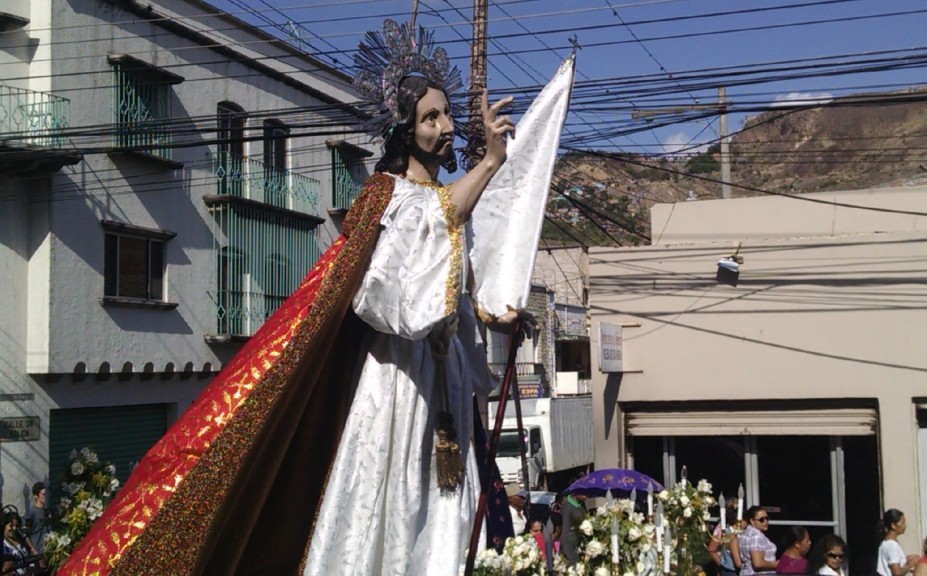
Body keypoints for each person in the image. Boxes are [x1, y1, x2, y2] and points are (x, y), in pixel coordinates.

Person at [59, 19, 570, 576]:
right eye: (430, 118)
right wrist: (491, 163)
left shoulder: (443, 205)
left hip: (441, 382)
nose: (446, 127)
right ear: (403, 131)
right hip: (395, 382)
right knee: (389, 504)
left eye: (446, 115)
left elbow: (455, 281)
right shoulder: (388, 197)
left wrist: (496, 320)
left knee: (445, 509)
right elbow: (397, 284)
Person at [877, 509, 920, 576]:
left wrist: (906, 560)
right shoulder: (891, 545)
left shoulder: (888, 543)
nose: (904, 525)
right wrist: (910, 564)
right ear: (893, 525)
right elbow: (897, 573)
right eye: (902, 523)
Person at [740, 505, 778, 576]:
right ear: (752, 521)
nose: (765, 521)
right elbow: (758, 563)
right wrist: (776, 565)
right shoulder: (756, 536)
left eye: (767, 518)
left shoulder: (746, 533)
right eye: (761, 520)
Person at [710, 498, 743, 576]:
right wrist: (723, 565)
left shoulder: (742, 526)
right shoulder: (722, 527)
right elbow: (712, 549)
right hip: (729, 569)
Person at [3, 510, 40, 576]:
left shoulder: (20, 539)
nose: (14, 529)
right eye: (11, 525)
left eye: (16, 526)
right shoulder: (4, 545)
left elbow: (29, 555)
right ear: (4, 525)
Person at [22, 483, 49, 565]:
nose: (46, 497)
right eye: (43, 494)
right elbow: (24, 533)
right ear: (36, 496)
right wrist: (33, 549)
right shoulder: (32, 512)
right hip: (38, 552)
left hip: (49, 551)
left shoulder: (48, 512)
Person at [560, 490, 589, 565]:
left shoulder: (581, 504)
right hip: (570, 548)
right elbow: (565, 534)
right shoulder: (567, 508)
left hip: (579, 544)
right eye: (583, 492)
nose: (586, 496)